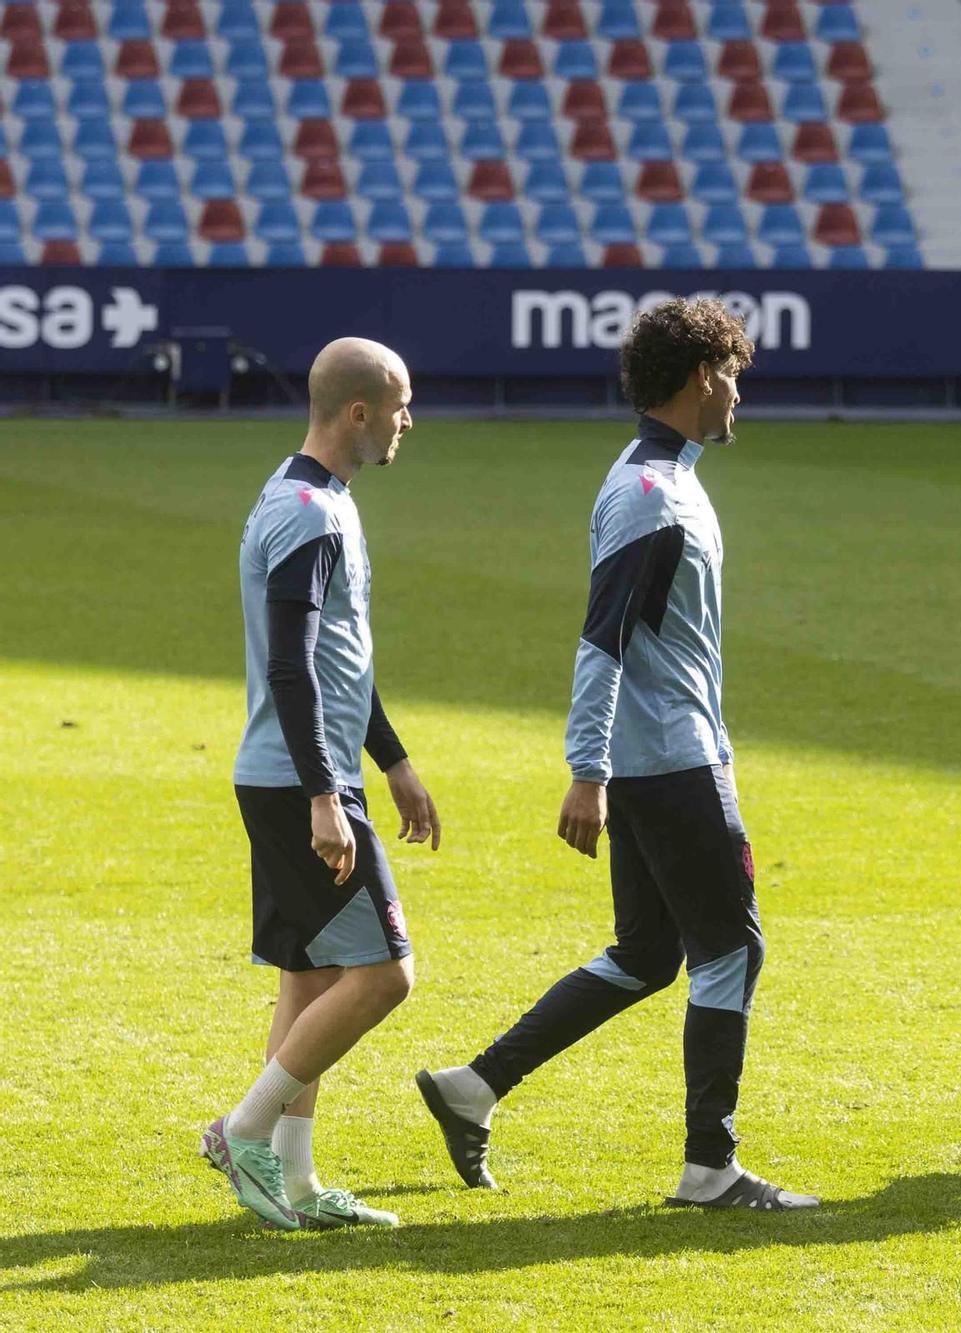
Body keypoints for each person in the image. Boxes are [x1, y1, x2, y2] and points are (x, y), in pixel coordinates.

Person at [416, 298, 816, 1211]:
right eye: (735, 377)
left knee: (646, 953)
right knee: (733, 952)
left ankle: (474, 1086)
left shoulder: (660, 477)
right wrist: (586, 770)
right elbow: (604, 641)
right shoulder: (651, 494)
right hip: (669, 762)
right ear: (701, 377)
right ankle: (710, 1166)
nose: (740, 395)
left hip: (660, 755)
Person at [205, 337, 438, 1230]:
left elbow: (339, 662)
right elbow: (295, 670)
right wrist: (325, 795)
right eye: (401, 404)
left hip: (299, 770)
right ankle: (245, 1129)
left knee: (309, 976)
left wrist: (395, 759)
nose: (408, 420)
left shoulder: (311, 497)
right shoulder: (308, 513)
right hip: (300, 779)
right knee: (386, 975)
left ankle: (295, 1181)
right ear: (357, 412)